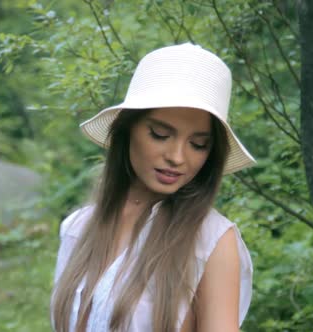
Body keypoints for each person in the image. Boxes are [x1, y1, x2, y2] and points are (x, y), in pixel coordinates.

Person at [51, 43, 256, 332]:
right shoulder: (77, 228)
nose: (176, 157)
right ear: (127, 129)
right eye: (160, 134)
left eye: (198, 144)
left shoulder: (211, 241)